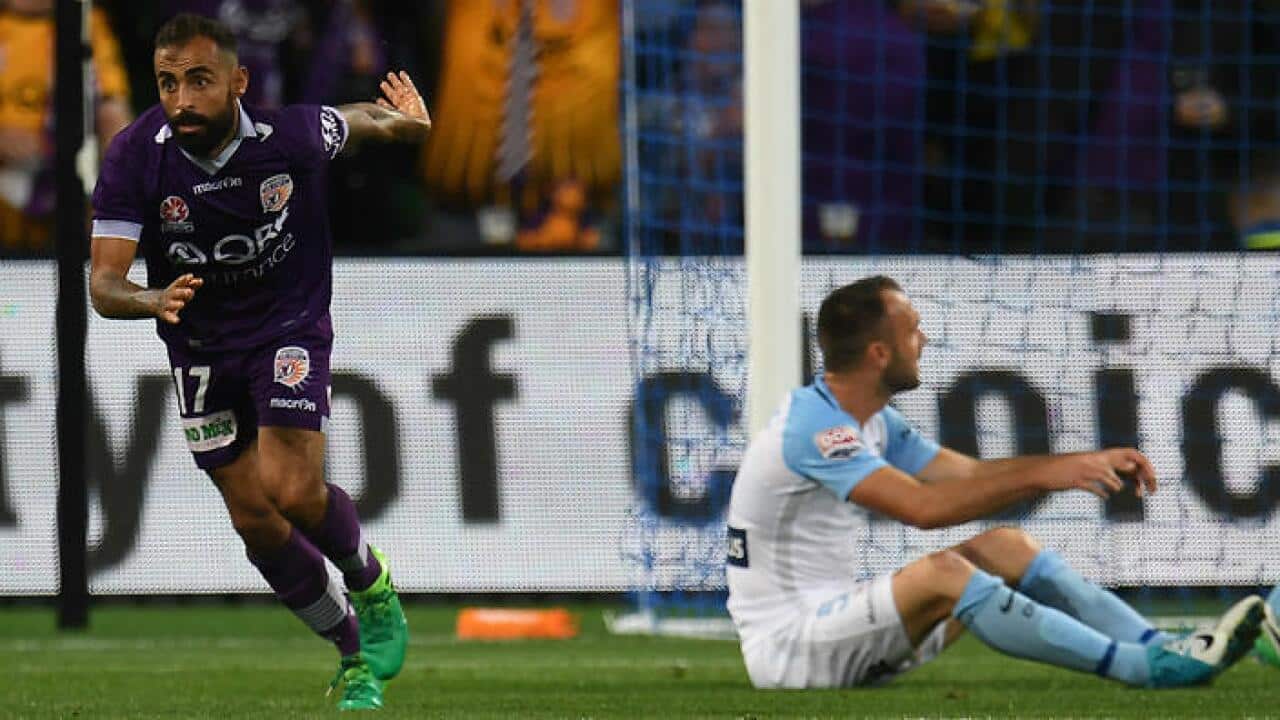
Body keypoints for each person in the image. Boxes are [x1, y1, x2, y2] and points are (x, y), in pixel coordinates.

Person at [87, 13, 430, 710]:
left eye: (199, 81)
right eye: (168, 83)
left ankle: (371, 585)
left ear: (238, 81)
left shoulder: (288, 137)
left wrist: (409, 125)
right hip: (200, 346)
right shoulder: (134, 157)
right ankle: (355, 655)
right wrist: (150, 299)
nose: (181, 100)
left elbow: (361, 119)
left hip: (287, 325)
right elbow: (104, 284)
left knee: (292, 489)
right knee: (254, 518)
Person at [725, 275, 1270, 689]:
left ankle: (1165, 645)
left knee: (1006, 546)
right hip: (790, 649)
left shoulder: (869, 418)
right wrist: (1050, 474)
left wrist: (1077, 463)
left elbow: (966, 474)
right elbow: (923, 509)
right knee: (945, 572)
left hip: (841, 630)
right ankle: (1142, 667)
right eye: (913, 330)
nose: (924, 339)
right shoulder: (815, 429)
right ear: (879, 354)